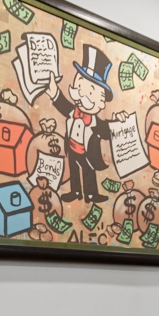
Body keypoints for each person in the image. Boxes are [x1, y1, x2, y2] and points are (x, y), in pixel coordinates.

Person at [47, 44, 127, 203]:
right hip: (72, 147)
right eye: (79, 86)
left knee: (89, 172)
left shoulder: (96, 123)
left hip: (87, 152)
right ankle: (75, 191)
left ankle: (91, 194)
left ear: (101, 101)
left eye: (90, 92)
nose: (82, 95)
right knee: (74, 171)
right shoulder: (73, 111)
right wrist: (53, 92)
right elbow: (62, 104)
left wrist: (119, 121)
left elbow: (108, 130)